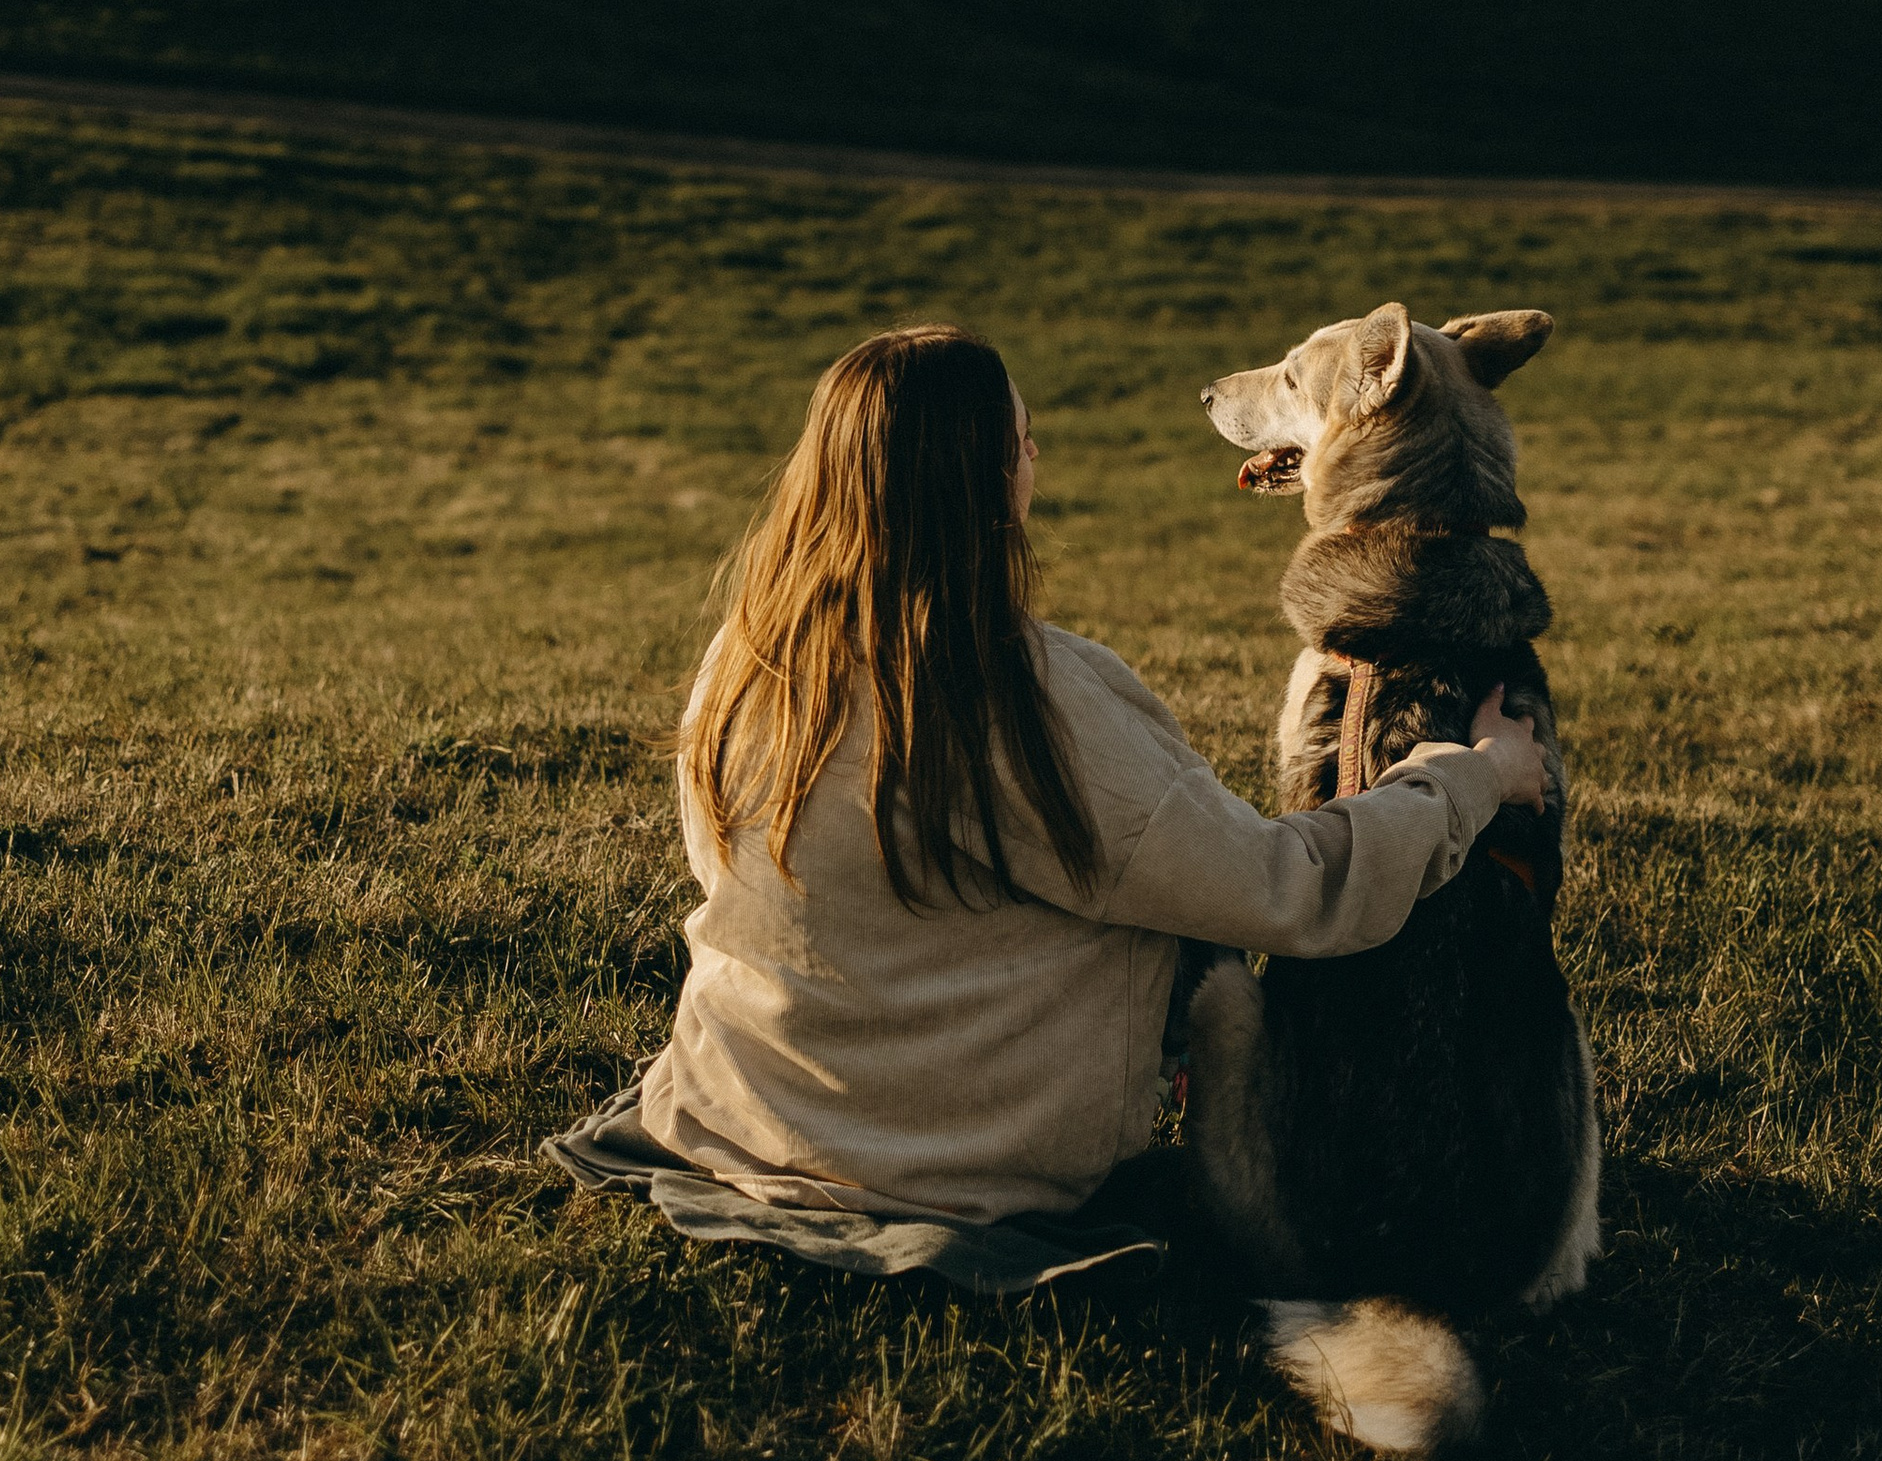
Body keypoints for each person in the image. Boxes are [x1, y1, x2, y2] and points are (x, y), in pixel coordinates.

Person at [626, 323, 1549, 1232]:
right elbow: (1289, 892)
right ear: (987, 483)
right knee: (1199, 921)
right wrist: (1469, 776)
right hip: (955, 1163)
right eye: (1024, 442)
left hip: (744, 1112)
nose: (1037, 459)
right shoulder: (1028, 701)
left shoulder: (747, 655)